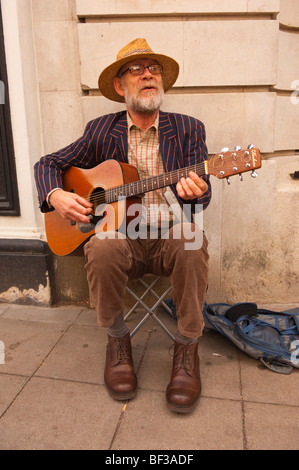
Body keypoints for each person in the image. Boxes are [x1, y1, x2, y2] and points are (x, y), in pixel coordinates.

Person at [34, 38, 211, 414]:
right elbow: (47, 164)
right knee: (101, 244)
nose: (148, 74)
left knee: (192, 237)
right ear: (119, 86)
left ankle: (187, 349)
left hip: (169, 236)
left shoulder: (188, 128)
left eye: (154, 68)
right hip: (122, 241)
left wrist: (196, 191)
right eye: (136, 69)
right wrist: (57, 197)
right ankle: (117, 342)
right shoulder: (100, 131)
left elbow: (201, 198)